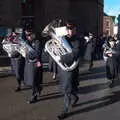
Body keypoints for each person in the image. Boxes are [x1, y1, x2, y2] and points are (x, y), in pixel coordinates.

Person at [57, 20, 80, 119]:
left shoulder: (78, 40)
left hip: (71, 68)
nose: (69, 31)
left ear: (75, 30)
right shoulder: (62, 38)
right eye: (67, 29)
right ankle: (75, 97)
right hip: (62, 67)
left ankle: (65, 110)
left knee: (67, 89)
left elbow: (75, 54)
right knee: (68, 88)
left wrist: (61, 58)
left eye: (71, 29)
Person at [24, 30, 43, 104]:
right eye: (26, 35)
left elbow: (37, 54)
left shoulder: (37, 42)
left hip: (36, 63)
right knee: (34, 80)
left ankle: (34, 96)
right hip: (30, 63)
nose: (28, 36)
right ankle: (39, 88)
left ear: (33, 34)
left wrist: (27, 55)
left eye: (29, 35)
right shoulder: (27, 42)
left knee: (33, 80)